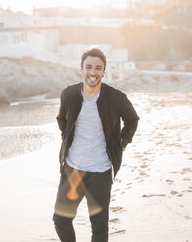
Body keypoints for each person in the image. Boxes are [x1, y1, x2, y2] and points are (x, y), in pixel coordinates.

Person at [53, 46, 139, 242]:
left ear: (104, 71)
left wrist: (122, 143)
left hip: (100, 172)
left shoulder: (115, 97)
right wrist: (66, 140)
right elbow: (61, 119)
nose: (93, 72)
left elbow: (132, 120)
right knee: (60, 220)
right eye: (89, 67)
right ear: (81, 69)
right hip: (73, 170)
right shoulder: (69, 94)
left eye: (98, 68)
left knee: (99, 228)